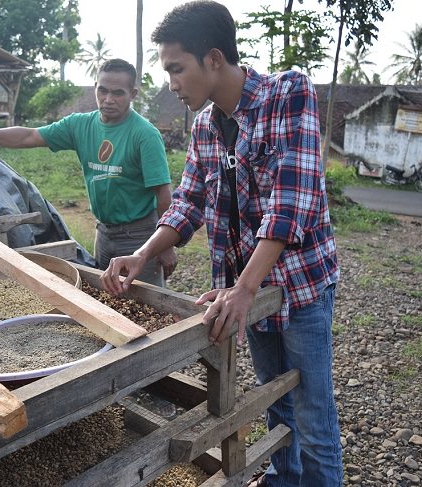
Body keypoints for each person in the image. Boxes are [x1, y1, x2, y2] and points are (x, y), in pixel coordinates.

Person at [100, 2, 342, 486]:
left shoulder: (286, 93)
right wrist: (142, 253)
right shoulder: (207, 126)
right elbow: (187, 202)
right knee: (274, 401)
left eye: (176, 69)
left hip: (298, 287)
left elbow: (291, 203)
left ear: (213, 58)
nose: (171, 83)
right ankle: (282, 481)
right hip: (243, 290)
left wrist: (245, 288)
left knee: (313, 416)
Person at [0, 58, 177, 287]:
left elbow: (163, 194)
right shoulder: (80, 125)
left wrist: (165, 245)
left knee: (146, 304)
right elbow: (29, 136)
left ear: (133, 94)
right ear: (95, 87)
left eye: (118, 93)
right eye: (102, 90)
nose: (108, 99)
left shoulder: (145, 135)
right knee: (108, 299)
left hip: (139, 235)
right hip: (104, 233)